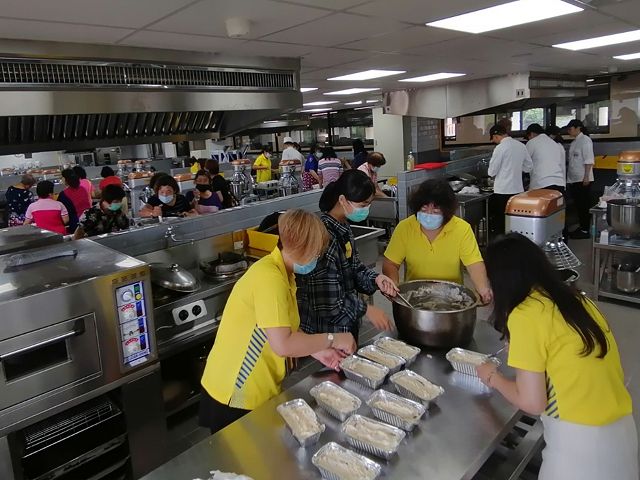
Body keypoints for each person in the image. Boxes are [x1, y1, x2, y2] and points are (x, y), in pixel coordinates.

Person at [476, 233, 637, 480]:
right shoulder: (575, 300)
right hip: (622, 436)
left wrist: (492, 377)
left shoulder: (525, 314)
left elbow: (532, 402)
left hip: (580, 447)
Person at [198, 210, 357, 433]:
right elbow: (283, 345)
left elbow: (284, 327)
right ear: (304, 249)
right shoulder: (269, 279)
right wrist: (333, 339)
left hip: (253, 386)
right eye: (317, 253)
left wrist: (319, 351)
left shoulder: (282, 272)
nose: (318, 258)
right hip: (237, 391)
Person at [297, 170, 398, 354]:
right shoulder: (323, 237)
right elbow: (327, 300)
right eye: (363, 204)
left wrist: (376, 279)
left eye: (369, 204)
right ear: (342, 200)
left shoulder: (342, 226)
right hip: (326, 333)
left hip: (345, 326)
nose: (366, 209)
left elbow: (354, 268)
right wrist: (366, 309)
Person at [383, 179, 492, 304]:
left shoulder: (461, 229)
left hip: (452, 297)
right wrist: (393, 286)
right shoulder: (405, 228)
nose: (429, 215)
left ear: (447, 212)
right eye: (423, 210)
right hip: (414, 297)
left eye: (435, 211)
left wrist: (483, 288)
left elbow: (474, 264)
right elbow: (390, 263)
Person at [487, 124, 533, 236]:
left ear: (496, 136)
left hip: (502, 191)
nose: (494, 141)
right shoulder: (520, 145)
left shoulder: (500, 148)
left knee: (502, 223)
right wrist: (516, 169)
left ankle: (502, 247)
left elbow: (491, 171)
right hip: (517, 191)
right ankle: (514, 246)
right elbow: (529, 166)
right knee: (515, 222)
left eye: (493, 139)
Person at [565, 119, 595, 239]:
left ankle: (585, 230)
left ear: (578, 128)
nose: (569, 131)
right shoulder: (574, 142)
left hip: (583, 179)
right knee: (578, 205)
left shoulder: (585, 140)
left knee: (584, 205)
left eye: (570, 129)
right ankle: (582, 227)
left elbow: (588, 160)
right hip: (574, 179)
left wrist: (586, 176)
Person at [525, 123, 566, 192]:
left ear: (531, 134)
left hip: (542, 184)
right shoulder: (556, 144)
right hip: (559, 183)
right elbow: (562, 166)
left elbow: (525, 162)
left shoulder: (532, 142)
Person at [58, 169, 91, 234]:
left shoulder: (64, 194)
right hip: (88, 220)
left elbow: (60, 210)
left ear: (64, 179)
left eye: (61, 177)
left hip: (76, 225)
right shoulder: (83, 189)